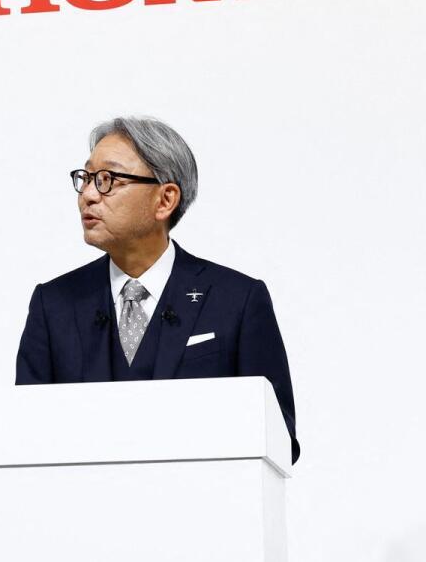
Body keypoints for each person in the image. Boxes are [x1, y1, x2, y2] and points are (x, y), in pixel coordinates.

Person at [15, 117, 299, 463]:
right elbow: (26, 437)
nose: (88, 195)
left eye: (107, 180)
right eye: (86, 178)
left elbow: (279, 439)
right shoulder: (53, 304)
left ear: (165, 200)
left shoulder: (237, 300)